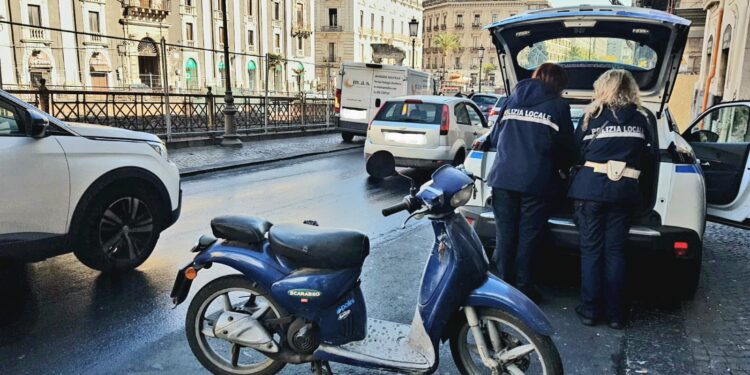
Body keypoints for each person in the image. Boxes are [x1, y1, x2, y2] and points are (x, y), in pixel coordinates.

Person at [474, 63, 575, 301]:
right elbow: (566, 147)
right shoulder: (559, 106)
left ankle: (501, 288)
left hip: (503, 177)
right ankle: (524, 288)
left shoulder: (511, 101)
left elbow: (497, 137)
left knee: (505, 234)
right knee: (529, 235)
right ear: (559, 84)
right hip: (537, 182)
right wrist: (564, 169)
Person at [568, 69, 652, 329]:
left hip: (590, 191)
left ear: (603, 89)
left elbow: (576, 152)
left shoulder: (592, 117)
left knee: (591, 251)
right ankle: (616, 315)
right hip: (624, 192)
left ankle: (591, 310)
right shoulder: (641, 120)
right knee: (615, 252)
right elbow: (647, 156)